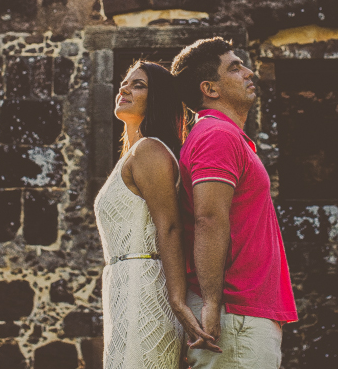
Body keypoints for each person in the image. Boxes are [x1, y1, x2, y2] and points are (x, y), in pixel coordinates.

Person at [171, 38, 298, 369]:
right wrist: (212, 303)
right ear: (210, 88)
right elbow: (209, 219)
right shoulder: (217, 136)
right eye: (235, 67)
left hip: (242, 312)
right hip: (233, 313)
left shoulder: (225, 135)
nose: (249, 72)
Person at [94, 60, 217, 369]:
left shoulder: (149, 150)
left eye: (139, 84)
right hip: (123, 284)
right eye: (125, 82)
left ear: (157, 98)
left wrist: (177, 300)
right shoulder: (135, 153)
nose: (124, 88)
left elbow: (171, 226)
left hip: (144, 288)